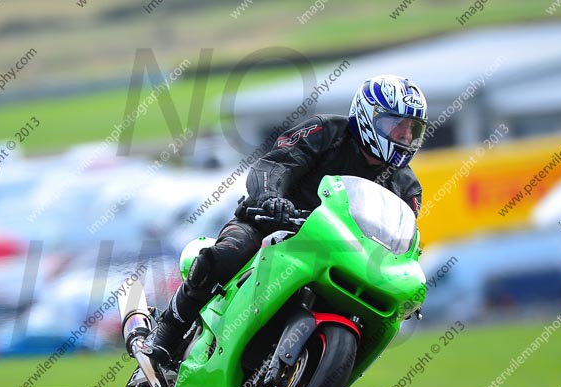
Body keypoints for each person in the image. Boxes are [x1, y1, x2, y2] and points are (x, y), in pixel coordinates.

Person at [142, 74, 429, 365]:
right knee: (227, 255)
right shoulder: (325, 131)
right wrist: (270, 197)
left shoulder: (406, 187)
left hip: (341, 257)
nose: (404, 137)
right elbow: (273, 164)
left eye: (410, 130)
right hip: (272, 225)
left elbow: (404, 238)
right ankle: (166, 332)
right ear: (368, 117)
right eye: (395, 126)